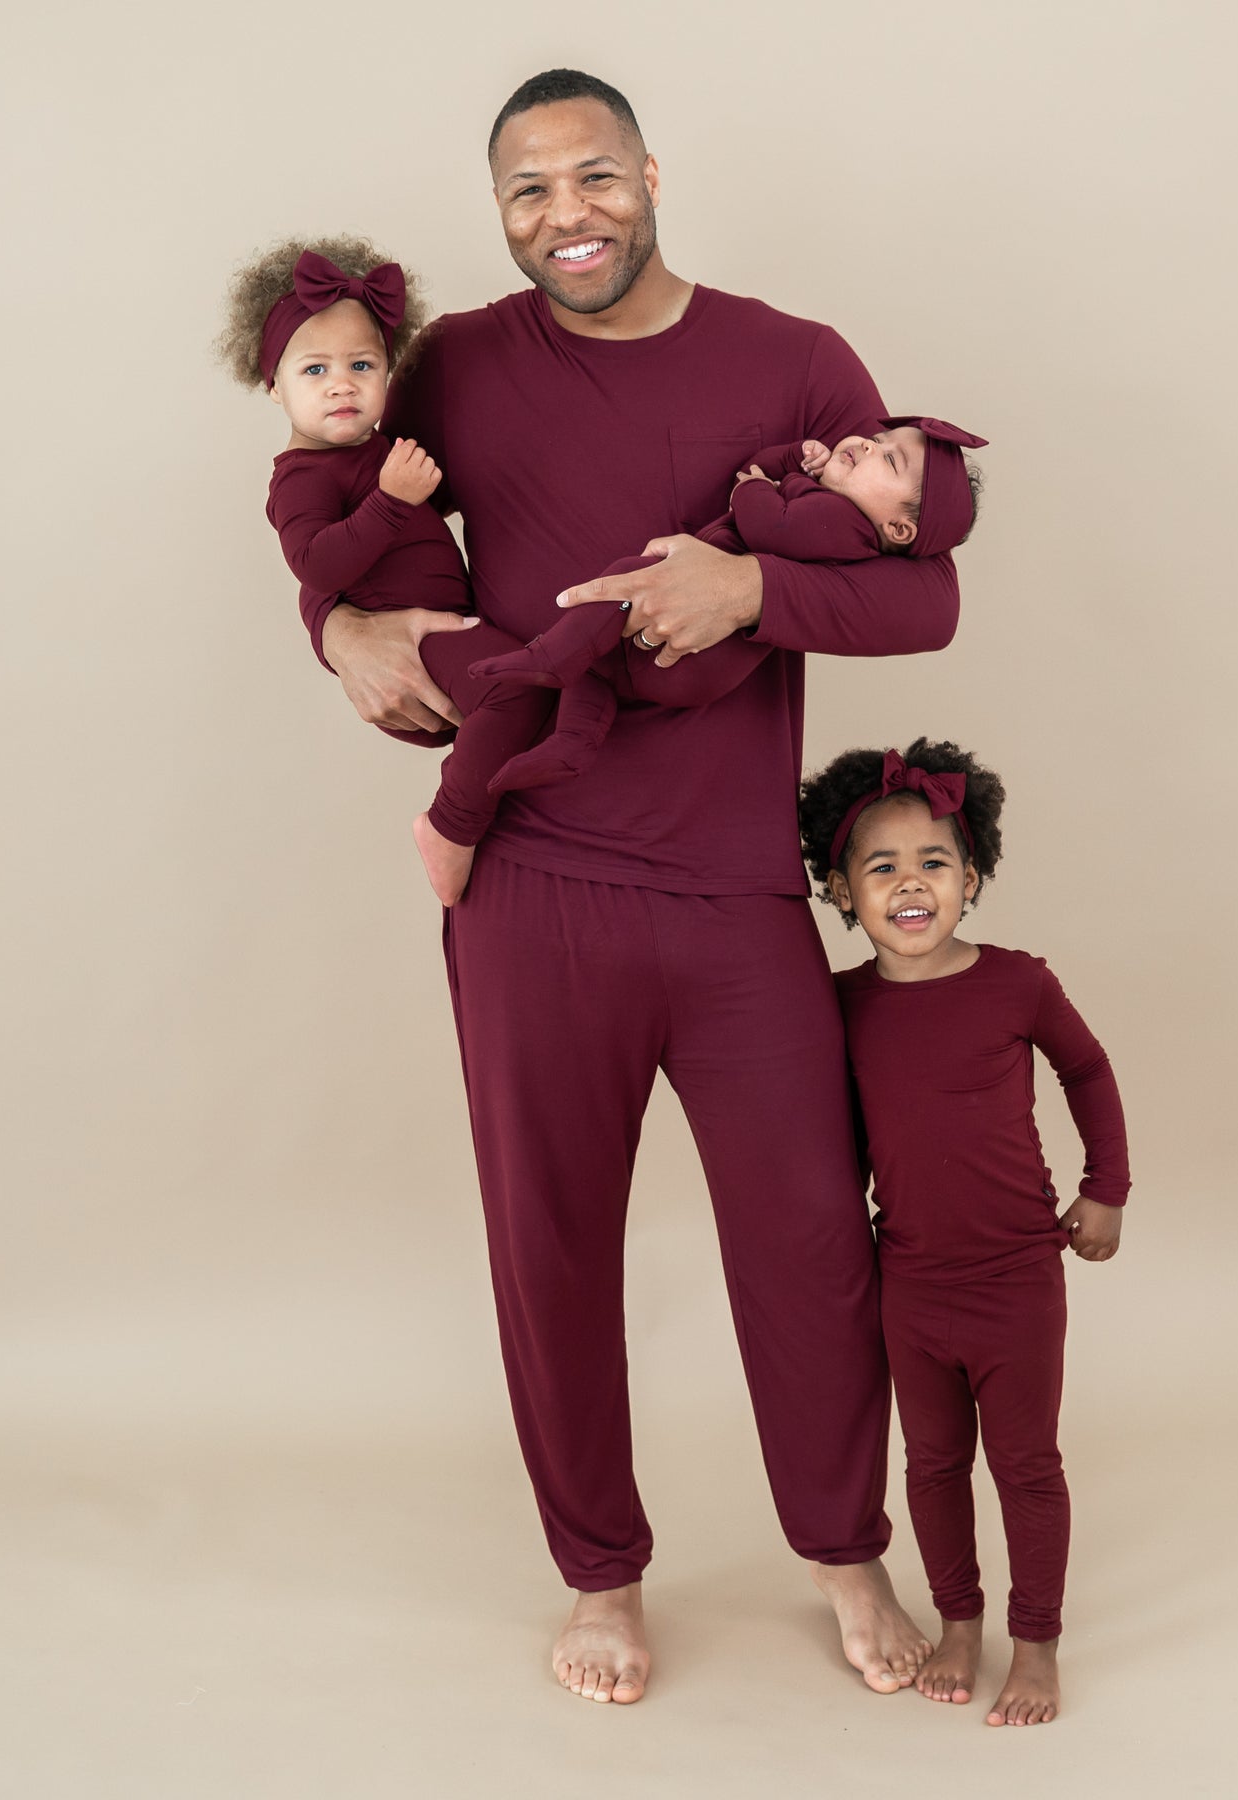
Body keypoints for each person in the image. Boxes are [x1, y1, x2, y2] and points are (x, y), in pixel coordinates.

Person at [305, 69, 962, 1705]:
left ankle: (843, 1548)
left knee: (811, 1241)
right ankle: (601, 1578)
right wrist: (338, 630)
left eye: (592, 177)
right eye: (527, 192)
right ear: (501, 213)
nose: (566, 216)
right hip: (529, 885)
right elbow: (332, 503)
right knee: (552, 1251)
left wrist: (749, 588)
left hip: (735, 891)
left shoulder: (794, 361)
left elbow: (926, 599)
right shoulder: (452, 365)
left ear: (651, 174)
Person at [796, 739, 1133, 1727]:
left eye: (933, 862)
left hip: (1017, 1279)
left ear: (971, 877)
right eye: (882, 867)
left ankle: (1036, 1644)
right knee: (934, 1466)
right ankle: (958, 1622)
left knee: (1026, 1467)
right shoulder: (839, 1007)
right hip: (909, 1283)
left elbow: (1088, 1070)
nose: (911, 884)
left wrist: (1106, 1187)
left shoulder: (1017, 984)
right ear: (843, 893)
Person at [218, 237, 613, 904]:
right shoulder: (301, 477)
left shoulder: (384, 449)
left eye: (362, 364)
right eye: (314, 370)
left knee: (575, 669)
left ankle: (551, 758)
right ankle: (450, 827)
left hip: (453, 629)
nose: (341, 383)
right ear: (274, 387)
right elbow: (315, 565)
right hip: (411, 646)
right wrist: (392, 501)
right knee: (517, 691)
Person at [464, 419, 985, 793]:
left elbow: (767, 524)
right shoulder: (831, 504)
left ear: (899, 530)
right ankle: (571, 745)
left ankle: (548, 656)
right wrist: (793, 460)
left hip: (699, 652)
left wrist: (760, 488)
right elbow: (758, 471)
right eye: (878, 439)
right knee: (600, 669)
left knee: (626, 576)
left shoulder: (845, 525)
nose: (869, 445)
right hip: (694, 669)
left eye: (888, 459)